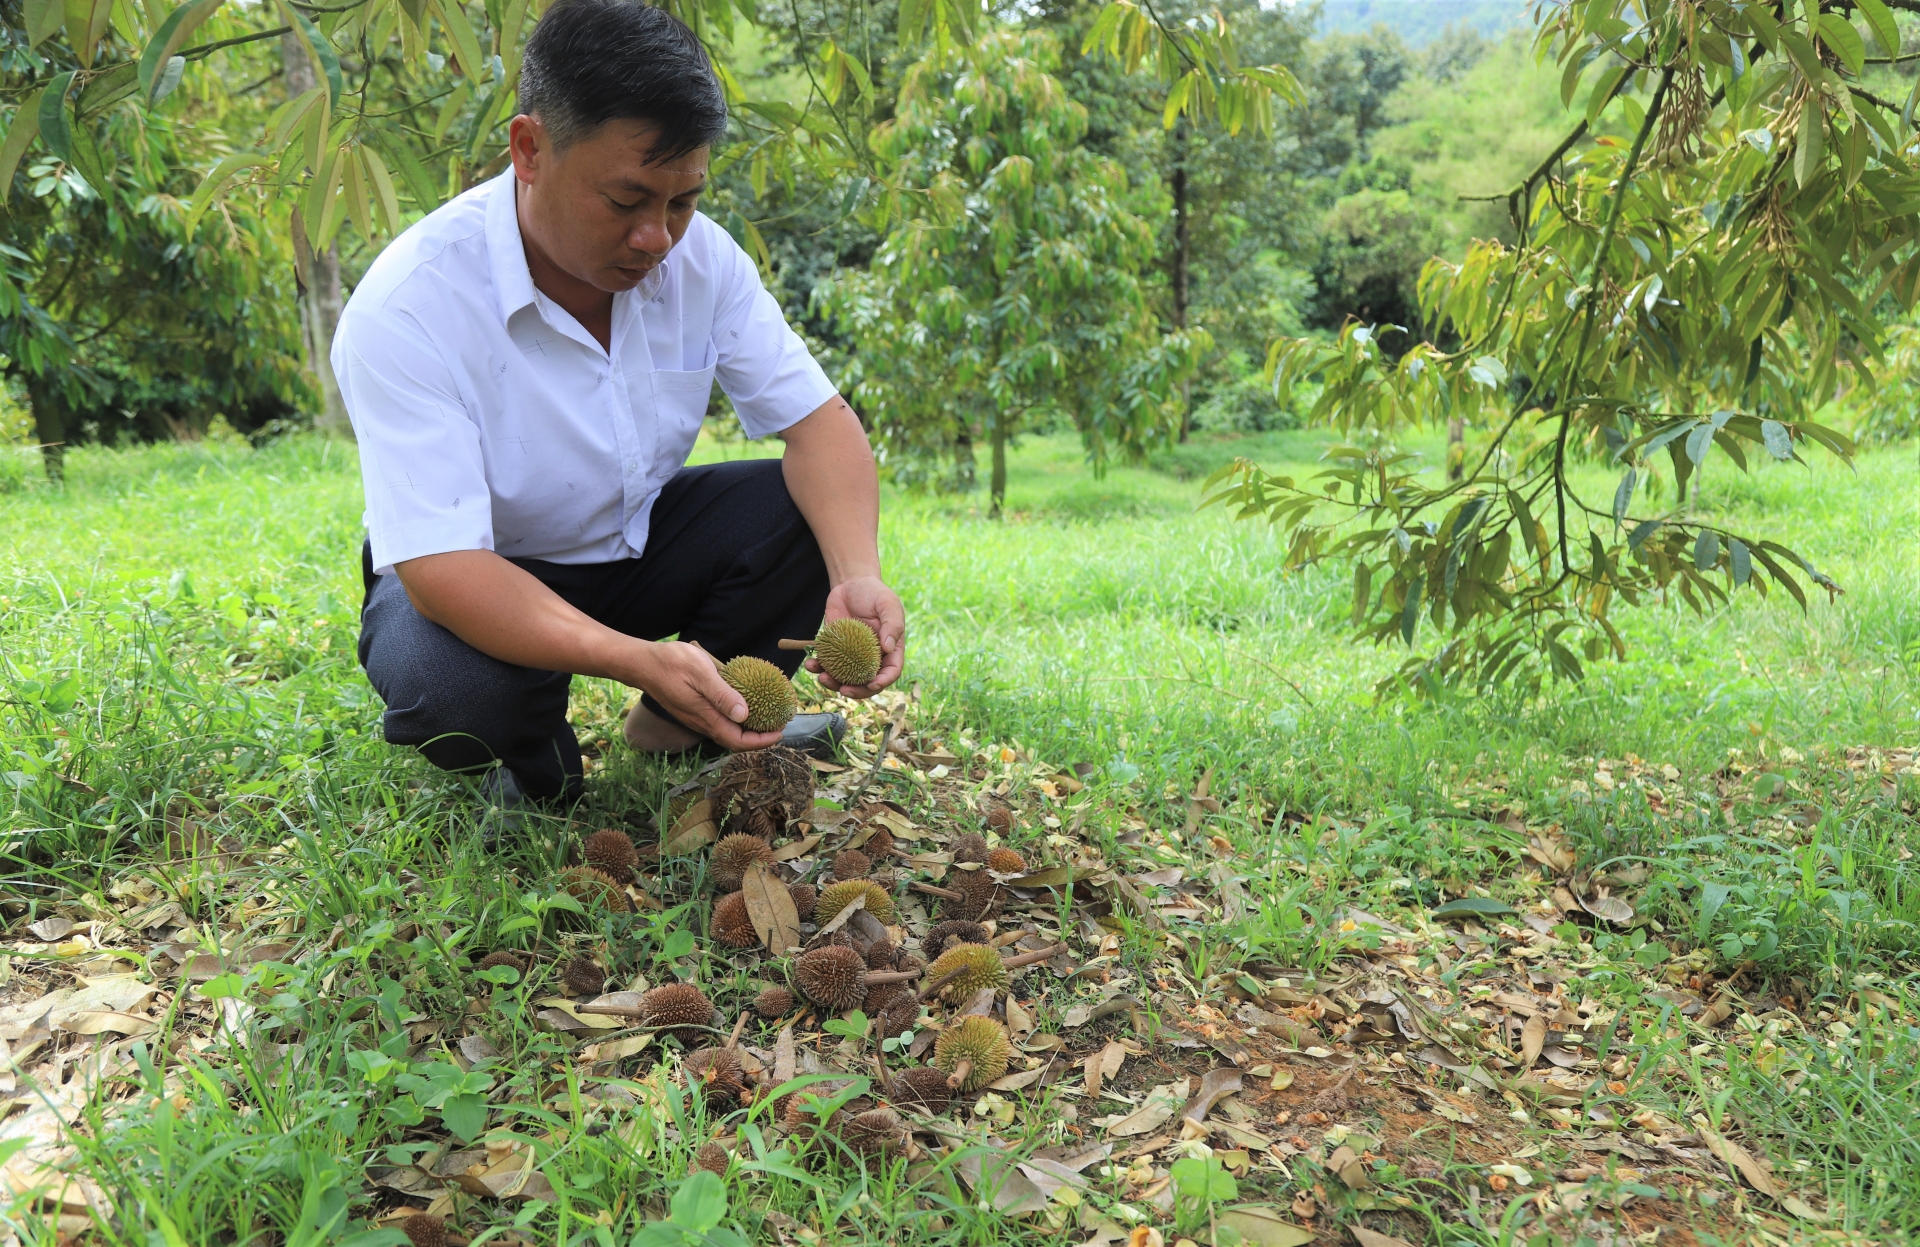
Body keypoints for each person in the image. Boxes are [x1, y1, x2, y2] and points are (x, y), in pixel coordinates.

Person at [332, 0, 904, 816]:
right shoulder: (410, 304)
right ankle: (532, 762)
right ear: (530, 150)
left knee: (801, 512)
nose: (657, 237)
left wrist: (859, 577)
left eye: (682, 202)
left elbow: (821, 426)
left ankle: (676, 725)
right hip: (481, 571)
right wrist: (634, 656)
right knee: (450, 691)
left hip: (632, 549)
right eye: (627, 199)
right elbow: (442, 565)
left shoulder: (700, 261)